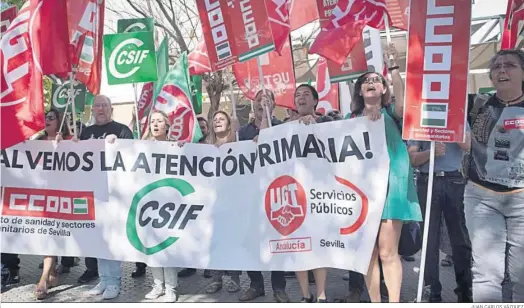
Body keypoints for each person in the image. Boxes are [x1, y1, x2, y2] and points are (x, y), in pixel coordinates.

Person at [345, 43, 422, 303]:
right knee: (369, 253)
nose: (371, 82)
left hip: (392, 190)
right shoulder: (349, 117)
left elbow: (404, 101)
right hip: (362, 192)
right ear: (359, 89)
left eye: (377, 80)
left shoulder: (393, 112)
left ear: (384, 89)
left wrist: (395, 67)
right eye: (366, 80)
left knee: (388, 252)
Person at [464, 49, 524, 302]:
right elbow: (424, 104)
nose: (502, 70)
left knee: (520, 274)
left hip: (521, 199)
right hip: (481, 198)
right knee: (487, 273)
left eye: (509, 65)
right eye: (496, 66)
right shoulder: (477, 104)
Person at [75, 95, 134, 299]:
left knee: (112, 238)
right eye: (96, 105)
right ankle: (104, 279)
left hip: (114, 193)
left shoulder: (123, 130)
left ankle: (114, 282)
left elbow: (132, 156)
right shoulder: (86, 132)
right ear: (93, 110)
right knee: (99, 238)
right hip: (93, 193)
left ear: (111, 109)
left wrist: (116, 145)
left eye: (104, 105)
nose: (100, 109)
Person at [237, 90, 289, 303]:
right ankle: (255, 284)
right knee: (251, 242)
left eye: (266, 99)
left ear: (274, 104)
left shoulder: (283, 128)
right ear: (252, 105)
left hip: (276, 193)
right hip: (250, 196)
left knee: (276, 241)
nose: (261, 102)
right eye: (258, 99)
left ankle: (279, 287)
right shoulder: (242, 132)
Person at [408, 131, 473, 302]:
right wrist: (431, 152)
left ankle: (465, 291)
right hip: (427, 180)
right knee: (429, 240)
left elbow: (468, 146)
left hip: (454, 180)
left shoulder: (457, 115)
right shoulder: (421, 120)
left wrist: (452, 131)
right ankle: (432, 292)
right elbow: (412, 159)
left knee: (460, 240)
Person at [201, 110, 242, 293]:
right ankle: (216, 278)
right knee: (214, 240)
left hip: (233, 200)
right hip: (211, 202)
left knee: (231, 240)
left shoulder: (238, 143)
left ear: (229, 124)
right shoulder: (204, 146)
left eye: (221, 119)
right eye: (215, 120)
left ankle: (234, 278)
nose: (217, 122)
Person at [140, 110, 179, 302]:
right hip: (148, 202)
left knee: (167, 247)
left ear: (167, 125)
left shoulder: (175, 146)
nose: (155, 124)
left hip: (169, 203)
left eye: (159, 121)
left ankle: (171, 287)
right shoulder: (142, 147)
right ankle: (157, 285)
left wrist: (183, 149)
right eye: (152, 121)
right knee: (152, 246)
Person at [34, 109, 72, 299]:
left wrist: (63, 146)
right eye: (44, 117)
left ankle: (45, 277)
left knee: (53, 234)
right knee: (48, 234)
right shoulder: (36, 142)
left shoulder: (69, 140)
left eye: (50, 117)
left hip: (62, 196)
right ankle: (49, 273)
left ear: (59, 121)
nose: (46, 120)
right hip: (41, 195)